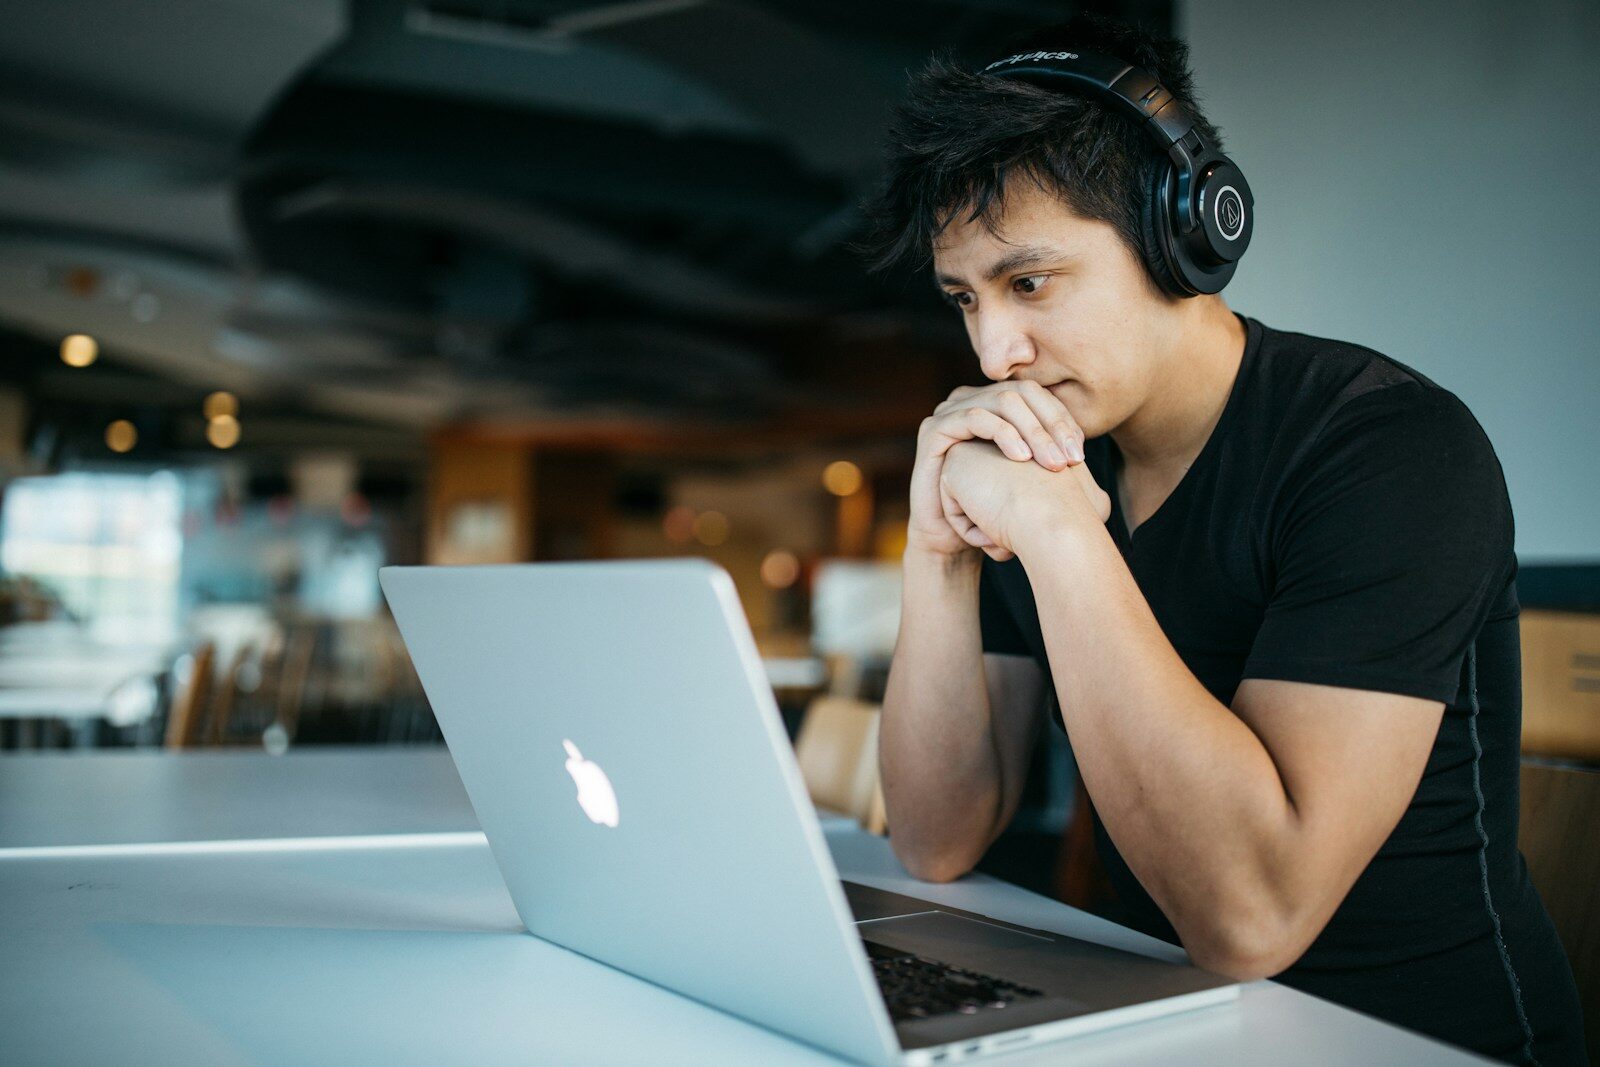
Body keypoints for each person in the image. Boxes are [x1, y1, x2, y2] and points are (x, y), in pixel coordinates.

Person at [859, 15, 1585, 1065]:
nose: (993, 348)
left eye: (1028, 283)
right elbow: (935, 838)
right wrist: (938, 551)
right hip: (1168, 1021)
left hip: (1411, 1038)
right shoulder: (1059, 448)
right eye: (963, 299)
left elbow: (1253, 918)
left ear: (1183, 233)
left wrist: (1062, 535)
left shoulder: (1389, 448)